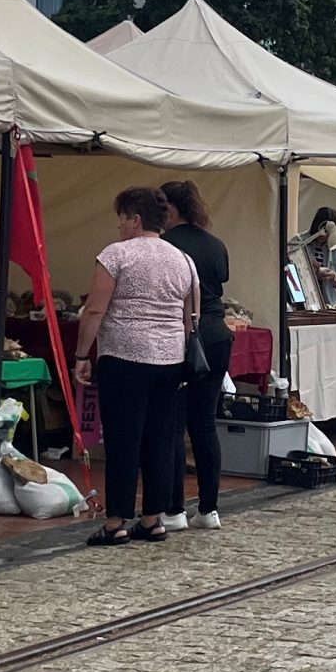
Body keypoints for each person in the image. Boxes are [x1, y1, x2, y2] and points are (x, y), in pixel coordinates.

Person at [74, 186, 199, 546]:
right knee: (160, 439)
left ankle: (116, 522)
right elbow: (191, 316)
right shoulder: (182, 259)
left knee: (123, 440)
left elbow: (95, 309)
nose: (118, 229)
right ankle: (153, 518)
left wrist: (83, 355)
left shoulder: (116, 255)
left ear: (135, 219)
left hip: (125, 357)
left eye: (121, 220)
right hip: (170, 358)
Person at [160, 180, 231, 531]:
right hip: (217, 335)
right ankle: (209, 508)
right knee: (203, 423)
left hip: (182, 335)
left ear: (169, 209)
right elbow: (220, 282)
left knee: (173, 425)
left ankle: (173, 510)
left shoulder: (165, 246)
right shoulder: (215, 244)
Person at [307, 206, 336, 308]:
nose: (326, 236)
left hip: (328, 305)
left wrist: (335, 277)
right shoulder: (300, 242)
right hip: (303, 304)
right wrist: (308, 270)